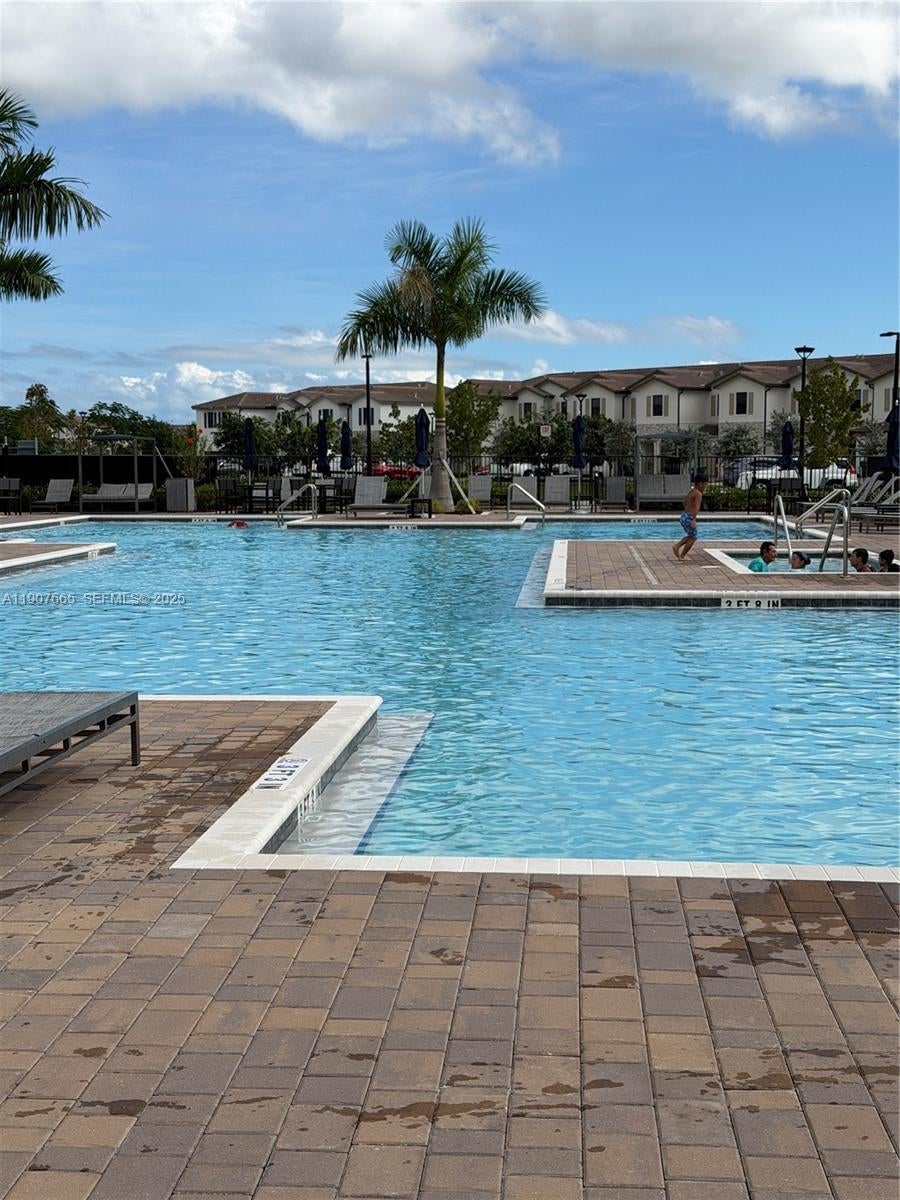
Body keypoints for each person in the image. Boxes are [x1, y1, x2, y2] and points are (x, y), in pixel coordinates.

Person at [672, 471, 708, 560]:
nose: (705, 487)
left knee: (691, 536)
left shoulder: (692, 491)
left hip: (684, 516)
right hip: (689, 517)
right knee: (693, 537)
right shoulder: (698, 494)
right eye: (705, 484)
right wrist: (693, 519)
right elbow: (697, 507)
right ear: (700, 483)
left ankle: (677, 547)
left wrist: (688, 509)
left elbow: (684, 502)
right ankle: (680, 553)